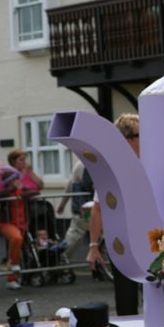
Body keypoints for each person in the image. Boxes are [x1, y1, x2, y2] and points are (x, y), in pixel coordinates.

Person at [87, 113, 141, 316]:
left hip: (155, 239)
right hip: (123, 242)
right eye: (141, 135)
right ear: (128, 140)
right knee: (126, 300)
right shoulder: (111, 170)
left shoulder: (155, 162)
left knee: (160, 299)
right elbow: (98, 208)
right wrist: (93, 246)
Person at [0, 150, 31, 290]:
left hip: (21, 219)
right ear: (13, 161)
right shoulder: (6, 174)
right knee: (16, 239)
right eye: (21, 160)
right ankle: (13, 267)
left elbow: (37, 188)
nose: (24, 162)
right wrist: (12, 187)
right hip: (7, 220)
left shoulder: (23, 176)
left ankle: (13, 278)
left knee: (19, 247)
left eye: (24, 159)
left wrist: (25, 192)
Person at [56, 160, 92, 262]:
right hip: (87, 208)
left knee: (75, 235)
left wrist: (62, 205)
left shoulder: (81, 163)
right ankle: (61, 257)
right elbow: (71, 185)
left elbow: (70, 186)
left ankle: (61, 258)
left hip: (84, 208)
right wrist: (62, 204)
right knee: (76, 235)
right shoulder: (83, 164)